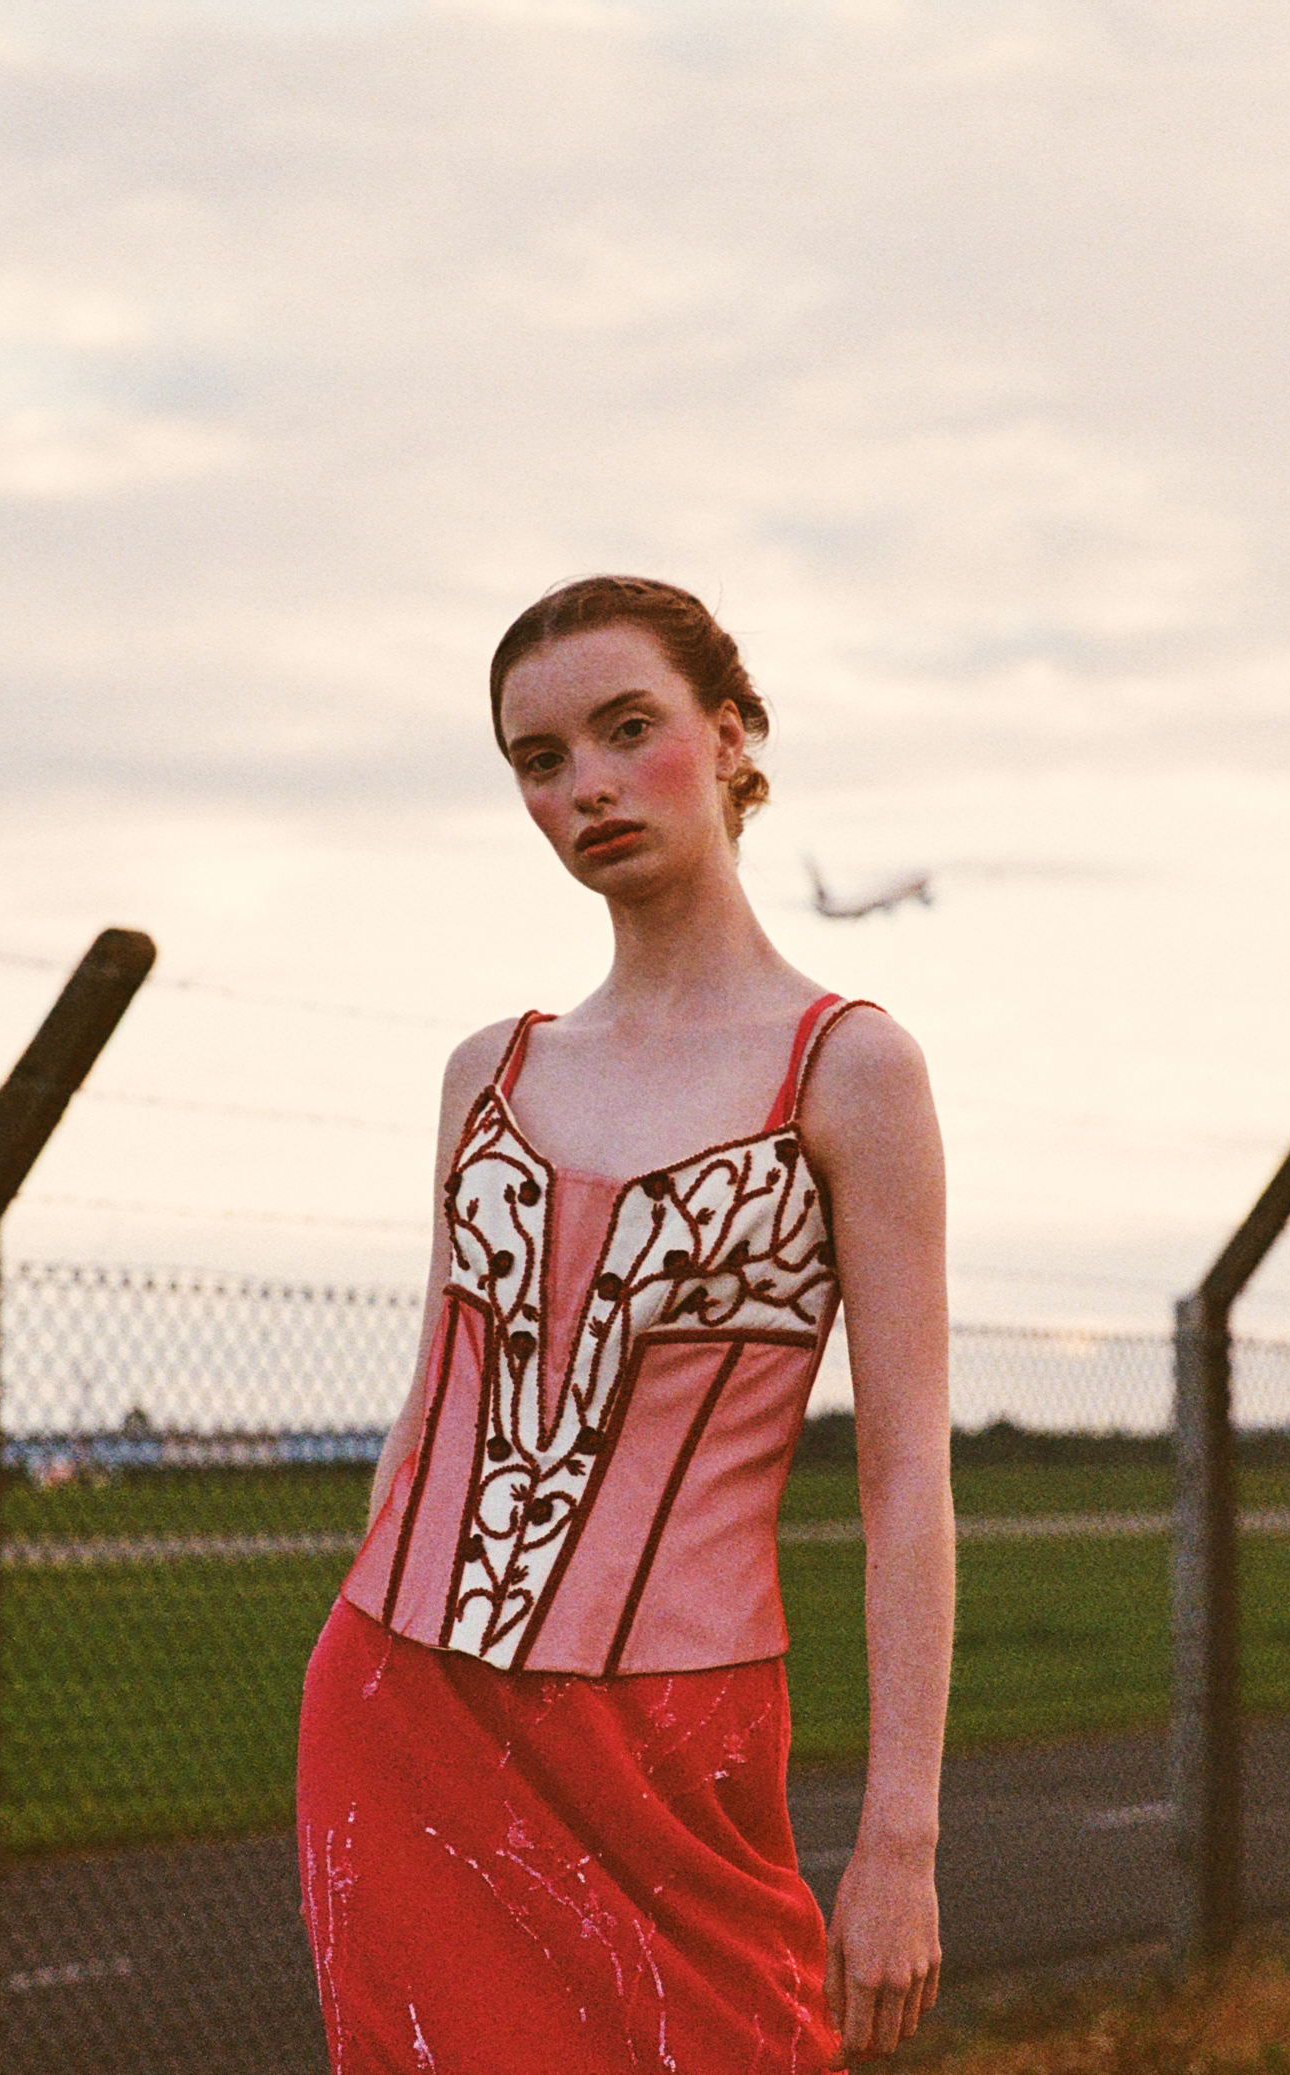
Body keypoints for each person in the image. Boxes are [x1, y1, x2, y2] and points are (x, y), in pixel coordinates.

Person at [296, 575, 957, 2071]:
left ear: (731, 737)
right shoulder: (488, 1070)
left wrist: (899, 1838)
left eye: (626, 729)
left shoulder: (848, 1068)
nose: (585, 786)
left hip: (677, 1742)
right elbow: (430, 1404)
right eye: (540, 761)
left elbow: (906, 1472)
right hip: (403, 1708)